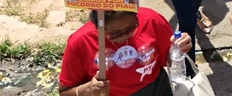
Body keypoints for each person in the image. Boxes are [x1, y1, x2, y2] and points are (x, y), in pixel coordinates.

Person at [58, 8, 191, 96]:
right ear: (96, 26)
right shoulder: (80, 42)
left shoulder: (151, 21)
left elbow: (168, 60)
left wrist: (180, 47)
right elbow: (64, 92)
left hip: (158, 90)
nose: (124, 36)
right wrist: (87, 89)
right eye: (114, 33)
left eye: (131, 28)